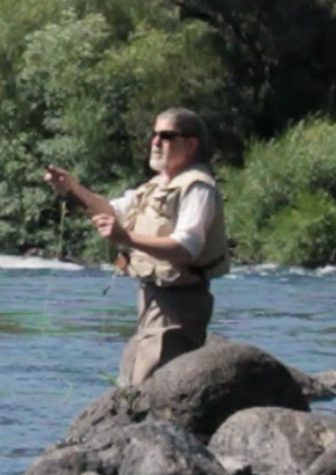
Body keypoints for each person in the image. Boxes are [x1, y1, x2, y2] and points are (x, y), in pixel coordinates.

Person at [44, 108, 229, 385]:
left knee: (149, 389)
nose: (155, 142)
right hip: (153, 299)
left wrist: (126, 238)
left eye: (166, 136)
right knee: (133, 384)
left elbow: (186, 247)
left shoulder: (198, 187)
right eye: (154, 134)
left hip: (181, 304)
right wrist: (71, 188)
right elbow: (110, 211)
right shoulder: (156, 185)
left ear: (191, 145)